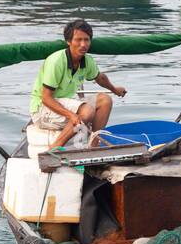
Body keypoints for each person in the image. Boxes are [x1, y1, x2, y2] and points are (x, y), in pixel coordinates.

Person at [29, 19, 126, 150]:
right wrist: (71, 115)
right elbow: (46, 98)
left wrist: (114, 89)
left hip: (64, 103)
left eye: (86, 40)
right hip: (42, 110)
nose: (83, 44)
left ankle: (93, 146)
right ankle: (54, 148)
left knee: (105, 100)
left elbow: (100, 78)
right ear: (69, 42)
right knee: (87, 110)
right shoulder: (57, 61)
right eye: (78, 40)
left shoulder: (87, 61)